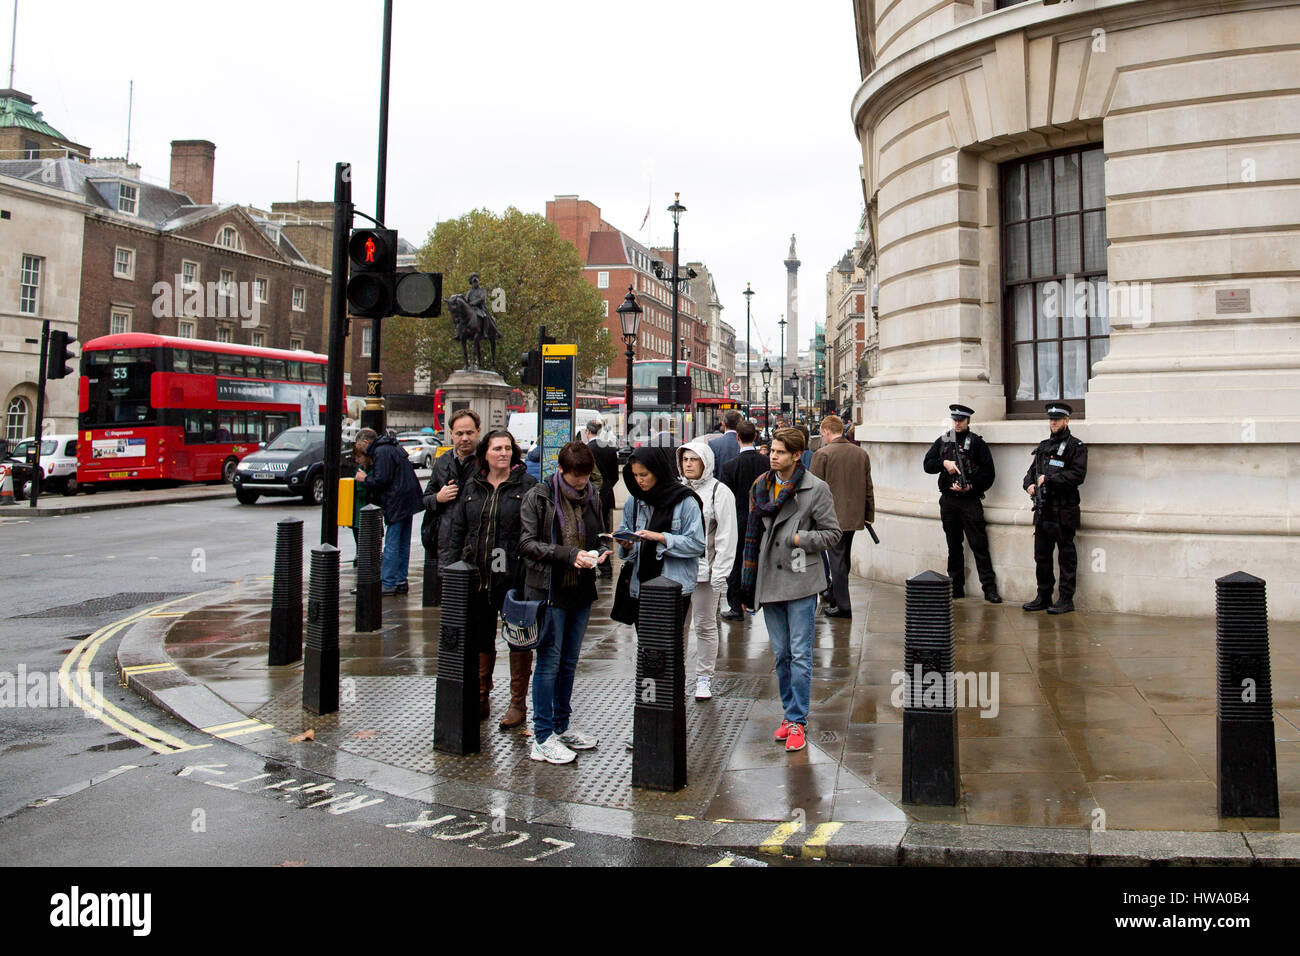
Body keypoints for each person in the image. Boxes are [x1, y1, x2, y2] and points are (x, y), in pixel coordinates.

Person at [739, 427, 841, 753]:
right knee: (781, 654)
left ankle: (798, 719)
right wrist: (745, 584)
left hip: (800, 580)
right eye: (772, 450)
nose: (773, 456)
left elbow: (832, 534)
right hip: (769, 581)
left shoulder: (816, 489)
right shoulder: (760, 487)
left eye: (781, 452)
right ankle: (788, 713)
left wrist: (801, 539)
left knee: (800, 654)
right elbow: (750, 536)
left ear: (797, 455)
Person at [519, 441, 611, 764]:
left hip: (580, 589)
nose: (581, 485)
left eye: (585, 478)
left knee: (569, 661)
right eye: (575, 480)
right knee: (548, 663)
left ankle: (562, 725)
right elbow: (527, 544)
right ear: (560, 471)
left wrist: (602, 551)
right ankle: (542, 736)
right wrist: (569, 555)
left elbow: (598, 533)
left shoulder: (592, 496)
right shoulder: (540, 497)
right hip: (549, 589)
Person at [446, 430, 538, 726]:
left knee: (518, 637)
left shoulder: (527, 486)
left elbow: (533, 532)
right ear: (485, 452)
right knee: (480, 636)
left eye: (508, 448)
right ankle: (482, 694)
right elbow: (457, 530)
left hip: (513, 576)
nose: (503, 453)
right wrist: (452, 568)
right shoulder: (472, 487)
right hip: (478, 574)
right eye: (497, 448)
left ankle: (517, 704)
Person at [618, 446, 705, 747]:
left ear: (659, 471)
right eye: (635, 476)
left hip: (672, 589)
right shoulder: (634, 500)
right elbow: (624, 534)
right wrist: (625, 546)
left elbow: (696, 544)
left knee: (667, 655)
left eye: (645, 475)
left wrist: (660, 538)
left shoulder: (686, 502)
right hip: (641, 587)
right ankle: (647, 721)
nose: (640, 481)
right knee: (647, 656)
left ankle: (669, 721)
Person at [675, 440, 737, 699]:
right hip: (678, 571)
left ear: (705, 463)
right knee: (678, 626)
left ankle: (704, 678)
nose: (688, 464)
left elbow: (726, 535)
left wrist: (720, 573)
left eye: (694, 459)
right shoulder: (676, 490)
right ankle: (677, 675)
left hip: (705, 572)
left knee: (704, 625)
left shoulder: (719, 492)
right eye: (685, 459)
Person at [922, 403, 1001, 602]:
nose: (957, 424)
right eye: (955, 420)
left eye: (961, 420)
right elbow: (927, 465)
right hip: (948, 500)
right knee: (953, 545)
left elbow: (988, 474)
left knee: (979, 545)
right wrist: (944, 463)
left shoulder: (976, 443)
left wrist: (970, 487)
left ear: (967, 421)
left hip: (969, 501)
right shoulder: (944, 440)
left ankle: (989, 589)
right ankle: (956, 587)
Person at [1022, 402, 1087, 615]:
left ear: (1066, 421)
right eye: (1051, 420)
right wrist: (1030, 485)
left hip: (1064, 510)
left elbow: (1077, 475)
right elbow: (1030, 474)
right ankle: (1043, 596)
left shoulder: (1075, 447)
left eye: (1057, 420)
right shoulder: (1043, 447)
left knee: (1066, 556)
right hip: (1044, 510)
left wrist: (1049, 479)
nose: (1053, 423)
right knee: (1041, 555)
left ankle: (1066, 599)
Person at [810, 415, 875, 618]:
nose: (823, 437)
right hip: (854, 516)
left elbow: (813, 490)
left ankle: (843, 605)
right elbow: (868, 487)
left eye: (822, 434)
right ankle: (838, 596)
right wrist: (868, 514)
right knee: (843, 558)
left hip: (831, 518)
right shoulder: (861, 453)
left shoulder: (822, 454)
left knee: (836, 560)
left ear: (827, 431)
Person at [354, 427, 424, 595]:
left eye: (358, 444)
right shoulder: (391, 447)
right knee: (402, 541)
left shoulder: (380, 451)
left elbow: (382, 479)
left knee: (392, 542)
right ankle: (400, 580)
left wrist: (364, 479)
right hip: (408, 499)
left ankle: (388, 582)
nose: (359, 448)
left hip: (396, 501)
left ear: (365, 442)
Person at [421, 409, 481, 605]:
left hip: (476, 541)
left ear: (478, 432)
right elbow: (426, 498)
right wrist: (438, 498)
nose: (464, 438)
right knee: (452, 602)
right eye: (459, 433)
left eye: (469, 433)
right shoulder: (444, 461)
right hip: (448, 541)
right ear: (451, 434)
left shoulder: (486, 460)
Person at [718, 419, 769, 620]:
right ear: (755, 436)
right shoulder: (766, 463)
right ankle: (760, 600)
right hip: (763, 519)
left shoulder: (729, 466)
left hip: (738, 520)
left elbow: (725, 497)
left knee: (736, 563)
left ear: (738, 437)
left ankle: (736, 606)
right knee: (762, 559)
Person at [585, 417, 620, 578]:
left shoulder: (586, 450)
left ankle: (597, 566)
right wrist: (606, 489)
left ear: (587, 432)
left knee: (592, 531)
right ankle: (606, 567)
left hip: (590, 496)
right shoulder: (610, 448)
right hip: (607, 495)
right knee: (605, 531)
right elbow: (614, 476)